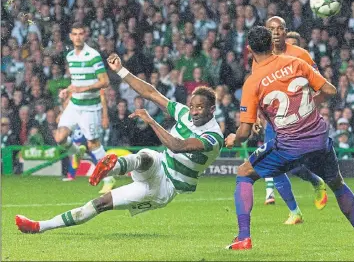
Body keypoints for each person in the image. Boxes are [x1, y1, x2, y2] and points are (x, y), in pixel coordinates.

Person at [15, 54, 223, 235]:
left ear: (211, 110)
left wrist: (151, 121)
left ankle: (112, 169)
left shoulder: (213, 137)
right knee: (146, 157)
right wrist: (121, 70)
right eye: (192, 106)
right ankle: (39, 225)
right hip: (160, 163)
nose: (194, 111)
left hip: (165, 187)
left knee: (99, 204)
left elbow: (178, 145)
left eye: (200, 108)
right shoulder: (184, 113)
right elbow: (151, 93)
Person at [225, 26, 354, 250]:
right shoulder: (296, 63)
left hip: (289, 145)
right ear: (272, 43)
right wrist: (311, 105)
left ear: (249, 50)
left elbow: (245, 133)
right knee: (337, 183)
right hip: (318, 139)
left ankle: (243, 237)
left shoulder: (252, 82)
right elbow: (330, 90)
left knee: (244, 173)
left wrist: (233, 140)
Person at [254, 16, 327, 225]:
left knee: (294, 166)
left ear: (285, 31)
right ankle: (295, 212)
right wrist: (258, 115)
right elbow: (258, 90)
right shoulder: (259, 58)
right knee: (274, 167)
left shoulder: (300, 55)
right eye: (271, 29)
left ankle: (315, 180)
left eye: (279, 28)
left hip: (298, 121)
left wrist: (309, 106)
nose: (275, 32)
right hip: (275, 122)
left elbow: (319, 83)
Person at [52, 23, 115, 193]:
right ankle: (77, 153)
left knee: (93, 144)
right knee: (60, 137)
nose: (78, 37)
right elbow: (76, 82)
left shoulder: (93, 55)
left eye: (81, 33)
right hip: (75, 104)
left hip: (90, 107)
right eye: (75, 34)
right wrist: (68, 90)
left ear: (85, 35)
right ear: (71, 37)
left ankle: (109, 179)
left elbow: (105, 82)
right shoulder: (71, 56)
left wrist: (84, 89)